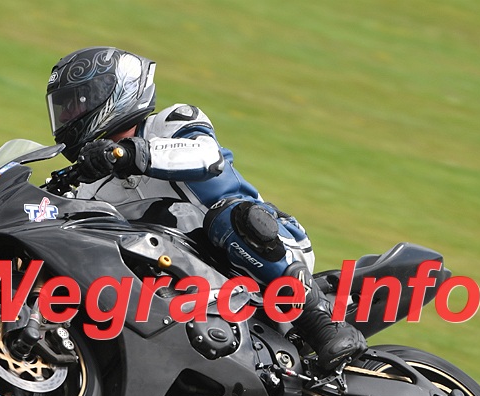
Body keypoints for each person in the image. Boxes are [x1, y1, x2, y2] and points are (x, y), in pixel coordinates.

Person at [45, 46, 366, 371]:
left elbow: (206, 157)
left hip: (263, 247)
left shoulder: (172, 122)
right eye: (63, 108)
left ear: (113, 92)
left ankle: (323, 324)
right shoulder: (89, 188)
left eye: (76, 103)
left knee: (230, 217)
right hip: (182, 279)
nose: (68, 115)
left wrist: (128, 154)